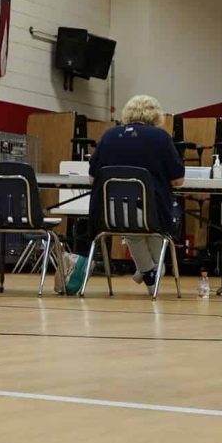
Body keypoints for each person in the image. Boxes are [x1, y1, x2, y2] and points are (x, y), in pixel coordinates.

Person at [80, 94, 185, 294]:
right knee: (151, 229)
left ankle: (147, 271)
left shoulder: (109, 135)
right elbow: (178, 181)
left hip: (110, 213)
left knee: (133, 231)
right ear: (156, 115)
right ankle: (151, 271)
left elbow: (93, 178)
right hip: (149, 213)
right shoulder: (161, 138)